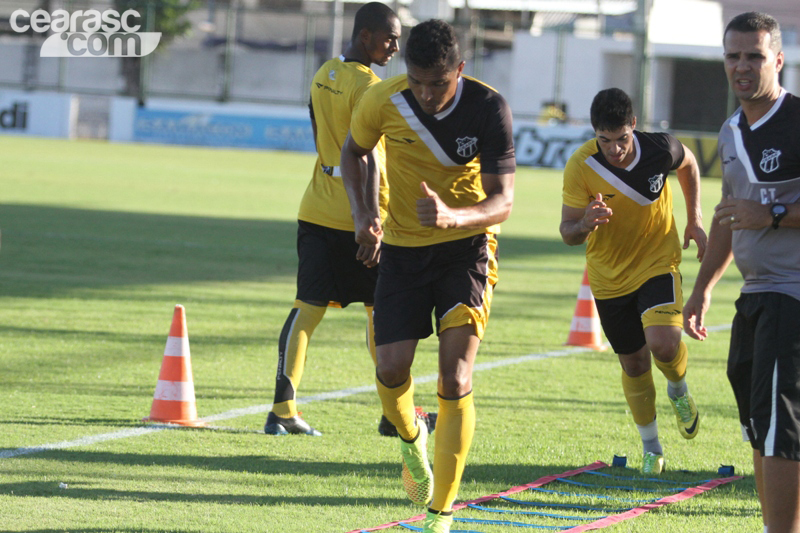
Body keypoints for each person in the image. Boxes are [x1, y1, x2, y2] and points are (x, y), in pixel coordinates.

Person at [341, 19, 515, 533]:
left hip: (466, 250)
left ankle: (440, 510)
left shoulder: (488, 107)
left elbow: (503, 202)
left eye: (437, 84)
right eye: (416, 82)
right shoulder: (382, 100)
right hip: (400, 250)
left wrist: (452, 217)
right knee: (390, 370)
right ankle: (411, 439)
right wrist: (362, 215)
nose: (426, 94)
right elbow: (353, 152)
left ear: (458, 70)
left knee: (454, 374)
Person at [264, 2, 407, 437]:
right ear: (365, 35)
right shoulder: (369, 86)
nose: (395, 47)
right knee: (382, 313)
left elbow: (320, 134)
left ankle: (282, 410)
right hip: (360, 216)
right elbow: (365, 157)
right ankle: (393, 414)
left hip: (316, 207)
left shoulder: (325, 72)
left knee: (306, 309)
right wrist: (370, 220)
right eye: (389, 38)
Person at [684, 12, 800, 533]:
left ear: (778, 59)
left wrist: (773, 215)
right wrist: (703, 288)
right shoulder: (730, 130)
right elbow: (730, 213)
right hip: (754, 297)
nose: (742, 66)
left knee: (779, 429)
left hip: (792, 296)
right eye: (733, 56)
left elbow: (756, 212)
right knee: (760, 429)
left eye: (754, 55)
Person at [560, 88, 707, 474]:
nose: (615, 149)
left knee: (663, 343)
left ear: (634, 127)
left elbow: (689, 164)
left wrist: (695, 219)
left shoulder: (660, 148)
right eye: (604, 141)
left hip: (658, 261)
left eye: (622, 139)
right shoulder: (581, 165)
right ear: (595, 134)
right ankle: (652, 447)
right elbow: (567, 232)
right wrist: (584, 224)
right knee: (635, 364)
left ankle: (678, 390)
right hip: (608, 278)